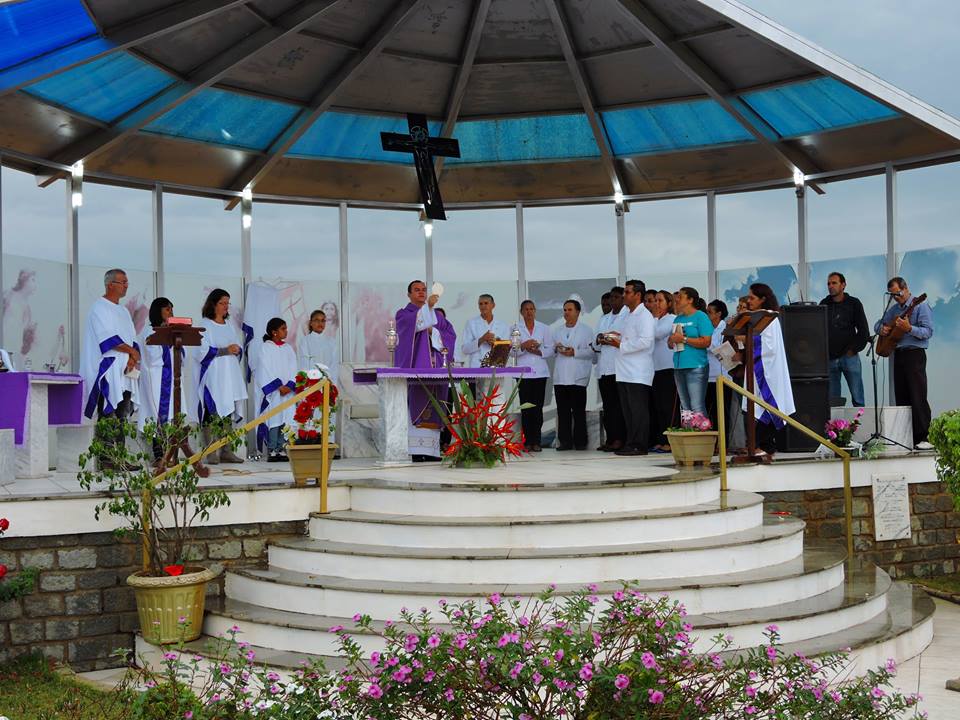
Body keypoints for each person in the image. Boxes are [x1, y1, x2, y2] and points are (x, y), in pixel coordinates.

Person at [138, 297, 209, 475]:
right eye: (167, 309)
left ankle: (173, 454)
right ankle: (159, 454)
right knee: (158, 414)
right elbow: (153, 357)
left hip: (172, 378)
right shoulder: (149, 331)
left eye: (171, 308)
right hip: (157, 378)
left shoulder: (171, 331)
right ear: (157, 311)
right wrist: (167, 343)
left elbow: (181, 356)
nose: (170, 312)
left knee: (174, 414)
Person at [395, 280, 457, 461]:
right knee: (418, 405)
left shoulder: (437, 315)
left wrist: (434, 332)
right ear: (409, 294)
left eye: (423, 290)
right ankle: (415, 451)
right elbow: (413, 326)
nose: (421, 293)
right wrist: (428, 309)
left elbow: (450, 334)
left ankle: (431, 451)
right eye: (417, 290)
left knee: (436, 406)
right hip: (417, 370)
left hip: (437, 369)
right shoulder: (403, 314)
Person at [875, 276, 934, 449]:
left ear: (906, 288)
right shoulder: (893, 310)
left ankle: (923, 437)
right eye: (893, 295)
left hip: (915, 354)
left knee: (917, 394)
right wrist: (883, 329)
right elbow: (878, 325)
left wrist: (909, 329)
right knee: (901, 396)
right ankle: (906, 436)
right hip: (898, 355)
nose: (897, 297)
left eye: (899, 293)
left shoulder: (920, 305)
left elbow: (928, 331)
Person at [738, 283, 795, 461]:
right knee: (753, 405)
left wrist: (747, 338)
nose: (749, 301)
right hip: (755, 370)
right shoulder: (755, 318)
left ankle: (760, 444)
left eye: (752, 298)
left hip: (767, 371)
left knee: (765, 406)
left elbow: (767, 346)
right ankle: (762, 445)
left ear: (763, 299)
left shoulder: (769, 318)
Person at [194, 289, 247, 464]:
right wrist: (225, 350)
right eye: (222, 303)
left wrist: (237, 349)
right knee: (211, 411)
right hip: (213, 375)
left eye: (227, 303)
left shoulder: (229, 325)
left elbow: (237, 345)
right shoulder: (205, 325)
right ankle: (211, 451)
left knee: (227, 412)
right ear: (213, 304)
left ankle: (226, 450)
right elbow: (200, 351)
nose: (226, 307)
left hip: (229, 375)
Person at [81, 269, 140, 422]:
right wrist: (132, 351)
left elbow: (132, 338)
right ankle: (106, 446)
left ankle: (120, 446)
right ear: (110, 285)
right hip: (108, 371)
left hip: (125, 371)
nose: (126, 286)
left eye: (127, 282)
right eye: (123, 282)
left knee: (122, 417)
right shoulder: (99, 308)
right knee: (108, 417)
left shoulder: (124, 311)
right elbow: (108, 339)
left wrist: (132, 358)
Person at [611, 279, 655, 456]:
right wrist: (612, 337)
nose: (624, 295)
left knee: (638, 410)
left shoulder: (645, 315)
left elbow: (646, 341)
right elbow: (624, 335)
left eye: (627, 292)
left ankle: (640, 444)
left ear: (638, 295)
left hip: (638, 370)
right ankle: (630, 442)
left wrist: (621, 345)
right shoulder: (627, 314)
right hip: (623, 369)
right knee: (628, 410)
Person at [819, 272, 870, 407]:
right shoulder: (824, 304)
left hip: (850, 357)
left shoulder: (854, 303)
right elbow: (818, 330)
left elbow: (863, 330)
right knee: (833, 402)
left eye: (834, 283)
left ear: (843, 285)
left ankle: (860, 426)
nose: (830, 286)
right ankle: (835, 428)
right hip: (830, 359)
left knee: (858, 398)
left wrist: (853, 349)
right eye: (828, 283)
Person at [552, 299, 594, 451]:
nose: (566, 313)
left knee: (578, 411)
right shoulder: (557, 331)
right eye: (564, 310)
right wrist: (557, 349)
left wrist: (574, 352)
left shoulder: (586, 330)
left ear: (578, 312)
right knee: (563, 412)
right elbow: (551, 350)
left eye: (569, 310)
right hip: (561, 377)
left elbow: (591, 352)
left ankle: (580, 442)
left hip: (578, 377)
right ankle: (565, 442)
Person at [512, 300, 554, 452]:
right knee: (526, 408)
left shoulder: (544, 328)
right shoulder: (515, 328)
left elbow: (551, 349)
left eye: (531, 309)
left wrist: (538, 350)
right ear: (521, 312)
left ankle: (536, 440)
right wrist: (524, 346)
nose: (529, 312)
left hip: (539, 373)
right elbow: (512, 351)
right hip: (523, 373)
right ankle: (527, 441)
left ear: (535, 311)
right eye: (526, 309)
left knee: (537, 408)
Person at [256, 318, 297, 462]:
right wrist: (278, 386)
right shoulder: (265, 348)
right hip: (274, 392)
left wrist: (290, 384)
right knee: (274, 418)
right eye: (283, 329)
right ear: (274, 332)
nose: (286, 331)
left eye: (286, 328)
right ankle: (272, 448)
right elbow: (264, 369)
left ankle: (282, 447)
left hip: (287, 391)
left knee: (285, 418)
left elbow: (294, 367)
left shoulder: (288, 348)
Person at [668, 287, 714, 415]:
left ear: (690, 300)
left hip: (696, 366)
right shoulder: (678, 319)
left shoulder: (701, 317)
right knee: (685, 406)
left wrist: (683, 339)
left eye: (680, 296)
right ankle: (689, 433)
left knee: (696, 405)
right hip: (679, 366)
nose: (677, 299)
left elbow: (706, 342)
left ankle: (701, 434)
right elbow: (672, 343)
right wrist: (671, 341)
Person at [594, 286, 627, 451]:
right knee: (608, 406)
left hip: (618, 367)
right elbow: (596, 341)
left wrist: (609, 338)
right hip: (604, 368)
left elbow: (623, 339)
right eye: (611, 298)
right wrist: (600, 338)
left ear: (622, 298)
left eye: (616, 297)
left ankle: (620, 439)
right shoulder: (604, 318)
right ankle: (611, 438)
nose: (612, 301)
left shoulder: (627, 316)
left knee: (618, 406)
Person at [650, 289, 677, 452]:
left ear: (668, 303)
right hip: (655, 368)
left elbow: (656, 334)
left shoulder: (671, 319)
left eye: (660, 301)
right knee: (658, 406)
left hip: (668, 368)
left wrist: (652, 317)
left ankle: (671, 441)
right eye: (655, 301)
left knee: (668, 406)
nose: (656, 304)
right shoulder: (654, 320)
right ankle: (661, 439)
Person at [459, 293, 510, 368]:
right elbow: (465, 349)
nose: (483, 306)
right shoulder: (471, 323)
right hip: (477, 367)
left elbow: (507, 349)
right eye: (480, 304)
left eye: (486, 303)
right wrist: (482, 340)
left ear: (493, 305)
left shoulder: (503, 325)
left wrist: (495, 343)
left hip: (496, 367)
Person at [705, 299, 731, 434]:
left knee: (721, 412)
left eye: (710, 312)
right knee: (709, 411)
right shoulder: (707, 328)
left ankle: (723, 444)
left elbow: (718, 348)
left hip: (722, 377)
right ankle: (712, 442)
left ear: (719, 314)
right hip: (707, 376)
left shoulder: (725, 328)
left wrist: (703, 342)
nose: (707, 314)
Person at [298, 309, 340, 383]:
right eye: (317, 320)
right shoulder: (305, 341)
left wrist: (332, 383)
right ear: (311, 323)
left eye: (323, 320)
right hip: (311, 383)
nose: (320, 323)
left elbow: (334, 366)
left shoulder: (331, 342)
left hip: (328, 383)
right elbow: (304, 364)